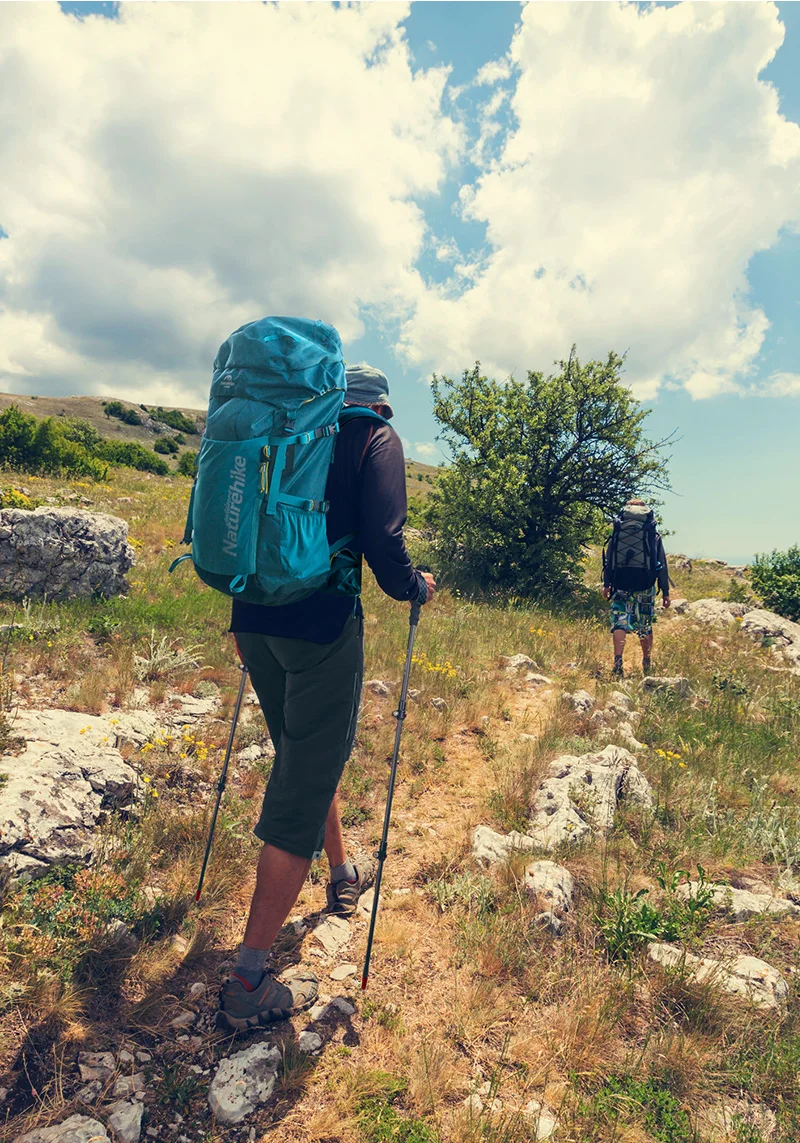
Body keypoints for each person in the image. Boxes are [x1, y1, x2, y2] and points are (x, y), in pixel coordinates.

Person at [217, 362, 436, 1033]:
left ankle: (343, 873)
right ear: (382, 406)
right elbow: (382, 539)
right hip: (320, 625)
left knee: (304, 752)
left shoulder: (289, 429)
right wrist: (415, 586)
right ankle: (249, 979)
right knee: (301, 782)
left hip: (254, 614)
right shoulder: (375, 438)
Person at [602, 498, 670, 678]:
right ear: (645, 513)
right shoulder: (651, 534)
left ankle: (618, 661)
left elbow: (609, 561)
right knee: (645, 624)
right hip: (645, 583)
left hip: (621, 582)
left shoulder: (618, 531)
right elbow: (661, 564)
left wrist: (607, 585)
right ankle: (646, 661)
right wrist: (665, 592)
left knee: (620, 621)